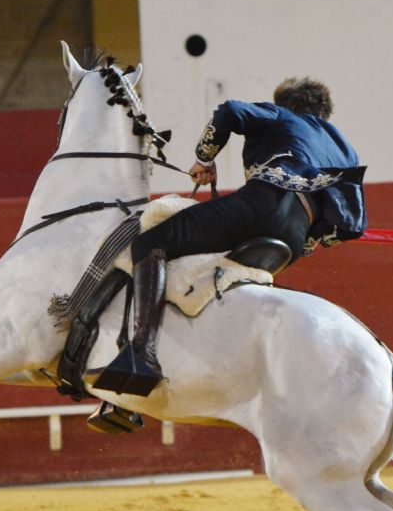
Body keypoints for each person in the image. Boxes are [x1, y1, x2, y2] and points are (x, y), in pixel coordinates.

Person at [93, 77, 366, 397]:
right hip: (292, 239)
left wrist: (205, 159)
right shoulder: (344, 150)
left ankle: (141, 353)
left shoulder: (283, 115)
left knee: (149, 243)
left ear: (286, 104)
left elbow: (229, 111)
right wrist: (306, 237)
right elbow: (348, 225)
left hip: (262, 206)